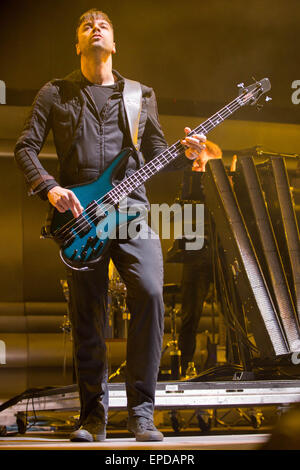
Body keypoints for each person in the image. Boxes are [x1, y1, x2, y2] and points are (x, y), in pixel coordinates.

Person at [14, 9, 206, 442]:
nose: (95, 27)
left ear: (114, 44)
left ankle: (141, 412)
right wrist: (49, 187)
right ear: (78, 44)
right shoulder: (55, 92)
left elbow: (158, 152)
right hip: (80, 217)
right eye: (86, 25)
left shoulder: (140, 94)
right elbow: (25, 147)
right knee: (89, 314)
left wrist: (188, 153)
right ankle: (92, 417)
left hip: (134, 213)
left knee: (152, 293)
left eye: (103, 25)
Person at [178, 141, 222, 376]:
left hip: (222, 255)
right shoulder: (191, 182)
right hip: (197, 256)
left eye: (202, 163)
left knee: (233, 313)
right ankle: (186, 366)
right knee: (190, 316)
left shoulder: (227, 187)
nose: (198, 167)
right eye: (197, 163)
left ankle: (238, 362)